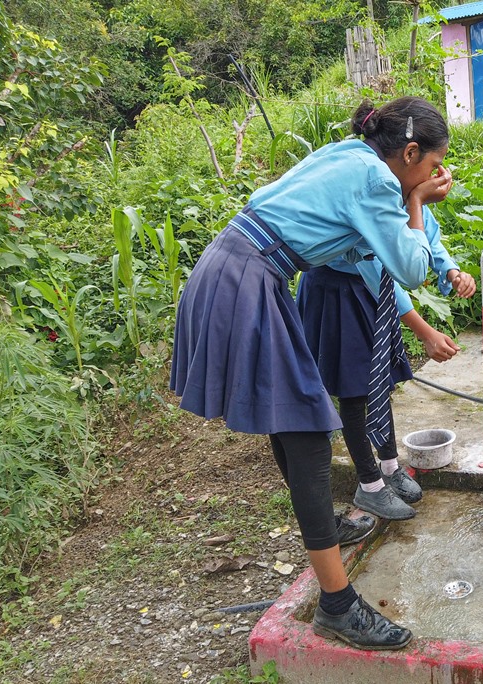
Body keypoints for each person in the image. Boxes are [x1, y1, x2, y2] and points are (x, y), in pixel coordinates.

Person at [169, 96, 454, 649]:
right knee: (305, 432)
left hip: (235, 266)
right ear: (410, 152)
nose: (432, 175)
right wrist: (415, 201)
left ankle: (327, 528)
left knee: (294, 421)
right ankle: (338, 605)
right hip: (248, 278)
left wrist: (410, 191)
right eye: (429, 165)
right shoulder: (377, 180)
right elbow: (412, 269)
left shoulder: (349, 153)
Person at [296, 207, 476, 521]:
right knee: (355, 391)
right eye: (434, 164)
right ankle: (369, 484)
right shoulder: (373, 193)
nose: (440, 174)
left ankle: (389, 467)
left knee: (380, 378)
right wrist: (425, 331)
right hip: (337, 288)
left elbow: (423, 233)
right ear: (410, 154)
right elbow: (375, 271)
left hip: (368, 290)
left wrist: (450, 270)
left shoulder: (409, 184)